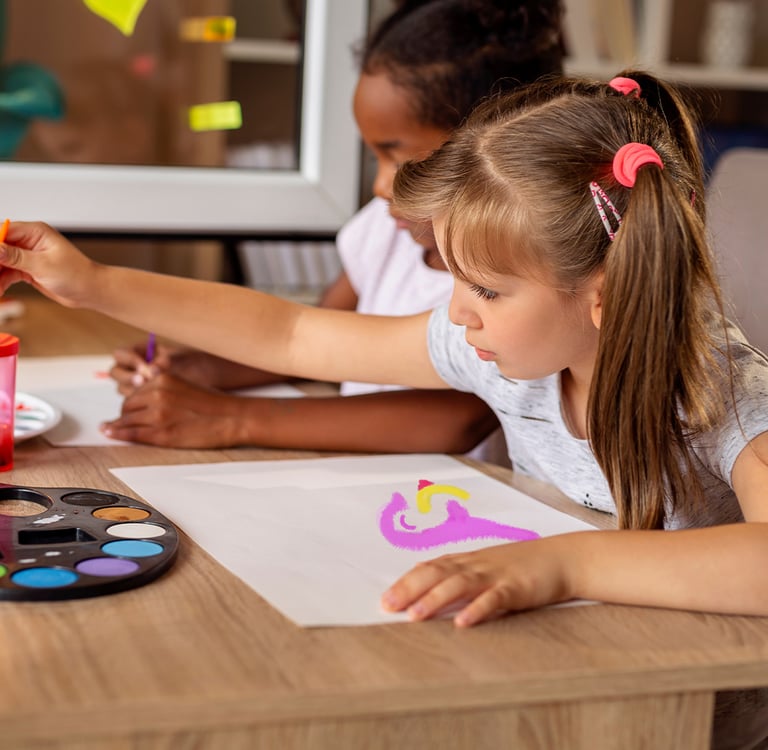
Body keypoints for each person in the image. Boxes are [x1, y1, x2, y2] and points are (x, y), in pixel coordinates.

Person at [2, 71, 767, 747]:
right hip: (567, 674)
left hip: (683, 716)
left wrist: (564, 563)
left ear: (605, 297)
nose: (457, 314)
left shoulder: (720, 388)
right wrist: (92, 283)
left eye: (486, 289)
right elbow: (293, 333)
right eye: (456, 280)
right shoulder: (518, 349)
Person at [101, 0, 564, 454]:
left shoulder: (525, 273)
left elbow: (456, 420)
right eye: (374, 155)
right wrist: (204, 370)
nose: (381, 186)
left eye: (399, 157)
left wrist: (230, 418)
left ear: (489, 152)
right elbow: (307, 339)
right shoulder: (384, 233)